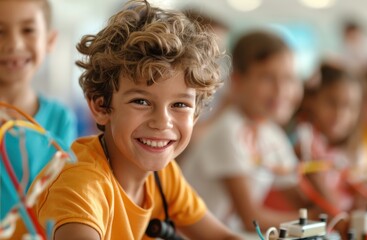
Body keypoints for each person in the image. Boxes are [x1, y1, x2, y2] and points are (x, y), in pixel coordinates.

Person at [12, 0, 241, 239]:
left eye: (180, 105)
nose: (162, 122)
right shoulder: (80, 185)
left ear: (195, 113)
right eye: (141, 102)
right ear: (101, 106)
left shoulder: (164, 176)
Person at [181, 30, 302, 232]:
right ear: (237, 81)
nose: (281, 90)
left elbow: (302, 198)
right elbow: (252, 219)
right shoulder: (228, 131)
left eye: (288, 78)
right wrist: (321, 219)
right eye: (267, 78)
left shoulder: (270, 134)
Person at [0, 0, 77, 220]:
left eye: (28, 30)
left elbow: (63, 195)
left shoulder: (60, 120)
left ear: (50, 41)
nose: (14, 44)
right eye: (0, 31)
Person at [292, 62, 363, 215]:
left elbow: (363, 197)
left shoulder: (345, 150)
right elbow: (332, 205)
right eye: (332, 102)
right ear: (312, 100)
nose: (339, 114)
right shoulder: (303, 139)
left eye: (349, 106)